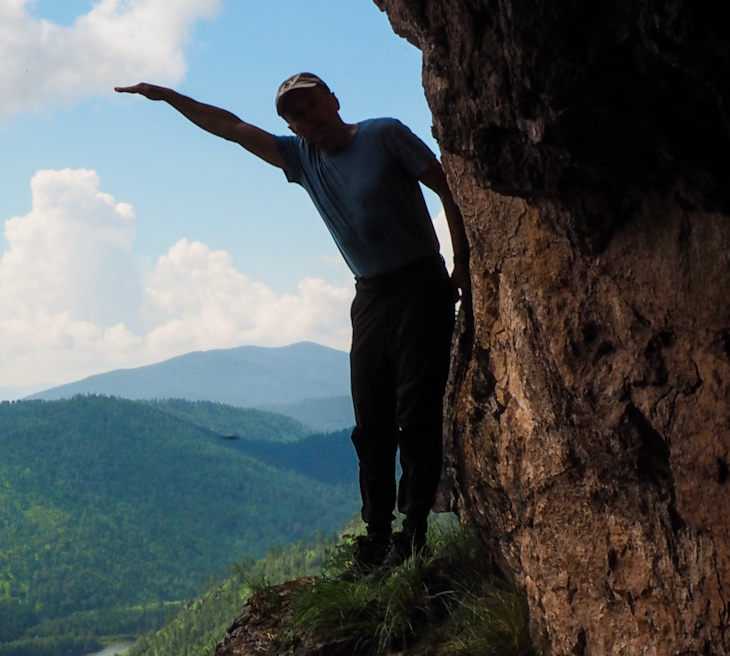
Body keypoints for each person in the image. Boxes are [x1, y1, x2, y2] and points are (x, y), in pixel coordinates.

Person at [117, 73, 469, 571]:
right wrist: (169, 97)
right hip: (369, 294)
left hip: (420, 282)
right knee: (371, 421)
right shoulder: (302, 159)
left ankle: (413, 534)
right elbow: (230, 126)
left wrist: (464, 262)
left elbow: (448, 188)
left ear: (334, 100)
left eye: (312, 106)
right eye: (295, 116)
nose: (307, 119)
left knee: (416, 412)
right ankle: (377, 534)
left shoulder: (384, 134)